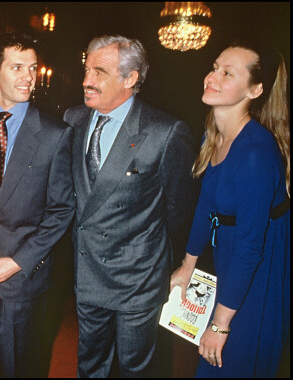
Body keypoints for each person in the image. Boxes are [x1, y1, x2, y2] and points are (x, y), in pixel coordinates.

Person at [63, 34, 199, 377]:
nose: (86, 81)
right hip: (87, 272)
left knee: (136, 370)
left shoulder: (165, 132)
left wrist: (148, 251)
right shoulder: (73, 119)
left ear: (130, 78)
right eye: (86, 69)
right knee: (90, 365)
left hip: (137, 279)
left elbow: (178, 210)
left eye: (99, 72)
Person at [0, 32, 75, 378]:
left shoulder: (56, 133)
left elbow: (61, 210)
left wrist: (19, 261)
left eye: (33, 68)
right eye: (17, 67)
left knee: (19, 365)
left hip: (23, 274)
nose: (28, 77)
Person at [170, 42, 290, 377]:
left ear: (255, 89)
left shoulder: (255, 153)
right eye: (214, 67)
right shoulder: (217, 136)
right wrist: (187, 266)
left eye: (227, 73)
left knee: (229, 360)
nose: (213, 76)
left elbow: (252, 248)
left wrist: (221, 325)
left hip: (255, 268)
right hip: (232, 258)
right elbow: (206, 206)